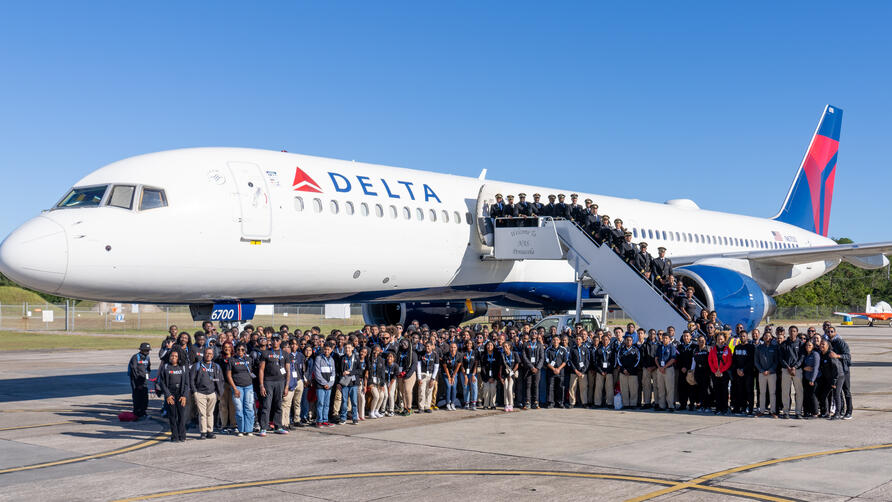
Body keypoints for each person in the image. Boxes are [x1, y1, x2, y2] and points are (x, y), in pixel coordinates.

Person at [257, 334, 290, 436]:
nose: (275, 341)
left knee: (278, 405)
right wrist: (261, 385)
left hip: (280, 382)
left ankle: (278, 426)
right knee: (266, 405)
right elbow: (261, 370)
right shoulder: (265, 353)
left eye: (277, 340)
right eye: (273, 340)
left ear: (280, 341)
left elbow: (288, 371)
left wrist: (287, 386)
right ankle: (263, 427)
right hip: (268, 382)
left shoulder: (285, 354)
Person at [158, 350, 190, 442]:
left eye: (176, 356)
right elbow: (162, 382)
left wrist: (184, 395)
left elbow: (187, 383)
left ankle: (182, 435)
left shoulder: (183, 367)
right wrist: (167, 395)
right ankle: (174, 436)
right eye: (172, 356)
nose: (173, 358)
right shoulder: (166, 367)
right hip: (170, 395)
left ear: (179, 358)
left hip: (181, 395)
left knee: (181, 416)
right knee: (172, 415)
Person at [192, 347, 223, 439]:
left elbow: (220, 379)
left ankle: (210, 431)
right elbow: (191, 380)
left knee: (210, 413)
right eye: (207, 353)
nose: (208, 355)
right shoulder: (197, 365)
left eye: (210, 354)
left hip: (212, 393)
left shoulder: (216, 366)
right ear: (204, 354)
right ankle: (203, 432)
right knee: (202, 413)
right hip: (200, 393)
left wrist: (218, 392)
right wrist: (195, 392)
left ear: (213, 356)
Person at [226, 343, 256, 436]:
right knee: (239, 409)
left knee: (249, 408)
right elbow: (228, 375)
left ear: (245, 350)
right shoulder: (232, 360)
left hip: (248, 387)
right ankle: (241, 429)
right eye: (238, 349)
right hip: (237, 387)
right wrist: (234, 388)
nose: (240, 351)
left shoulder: (249, 359)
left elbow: (252, 371)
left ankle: (249, 429)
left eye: (242, 350)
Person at [827, 326, 852, 419]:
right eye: (828, 331)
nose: (830, 333)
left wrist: (837, 356)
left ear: (835, 332)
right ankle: (840, 410)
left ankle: (849, 411)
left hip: (844, 370)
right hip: (836, 371)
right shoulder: (828, 343)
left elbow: (848, 356)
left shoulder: (841, 342)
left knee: (846, 391)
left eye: (831, 331)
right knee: (838, 392)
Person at [779, 326, 804, 419]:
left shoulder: (801, 344)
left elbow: (802, 357)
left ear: (797, 332)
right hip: (786, 370)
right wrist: (788, 367)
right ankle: (786, 412)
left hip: (797, 370)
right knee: (785, 392)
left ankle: (798, 412)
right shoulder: (784, 344)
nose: (792, 333)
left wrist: (795, 367)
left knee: (799, 392)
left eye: (794, 331)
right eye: (790, 331)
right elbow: (781, 358)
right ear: (788, 332)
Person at [730, 330, 755, 415]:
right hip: (738, 373)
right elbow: (734, 360)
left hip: (748, 373)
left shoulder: (751, 347)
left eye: (744, 336)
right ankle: (742, 407)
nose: (742, 337)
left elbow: (751, 361)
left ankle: (750, 409)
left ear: (747, 337)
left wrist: (743, 370)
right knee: (740, 391)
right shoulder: (737, 347)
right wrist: (737, 369)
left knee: (749, 391)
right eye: (741, 336)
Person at [755, 330, 779, 417]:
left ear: (771, 338)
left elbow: (776, 361)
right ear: (763, 337)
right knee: (762, 392)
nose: (767, 338)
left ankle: (773, 411)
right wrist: (762, 370)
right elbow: (756, 361)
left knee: (772, 393)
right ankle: (761, 410)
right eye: (765, 336)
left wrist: (770, 370)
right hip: (762, 373)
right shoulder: (759, 348)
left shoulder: (774, 348)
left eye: (768, 336)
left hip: (772, 373)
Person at [819, 339, 844, 420]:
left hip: (838, 377)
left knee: (836, 394)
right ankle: (826, 412)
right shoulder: (821, 354)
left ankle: (838, 413)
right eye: (821, 344)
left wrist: (834, 382)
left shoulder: (830, 354)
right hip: (829, 378)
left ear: (828, 346)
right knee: (824, 395)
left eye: (823, 344)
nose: (821, 345)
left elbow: (836, 369)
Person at [282, 340, 305, 428]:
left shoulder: (300, 355)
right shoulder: (286, 356)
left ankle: (297, 419)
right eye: (291, 345)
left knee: (297, 402)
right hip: (289, 382)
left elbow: (303, 367)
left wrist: (303, 379)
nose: (293, 346)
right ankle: (285, 422)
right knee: (287, 402)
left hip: (298, 380)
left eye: (295, 344)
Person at [708, 333, 732, 415]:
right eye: (718, 339)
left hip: (724, 373)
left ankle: (724, 408)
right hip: (715, 374)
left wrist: (721, 371)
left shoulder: (727, 349)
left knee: (724, 391)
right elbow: (710, 361)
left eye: (721, 339)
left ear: (724, 340)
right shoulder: (713, 349)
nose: (720, 340)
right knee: (717, 391)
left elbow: (729, 361)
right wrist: (715, 371)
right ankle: (718, 408)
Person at [313, 343, 336, 427]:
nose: (326, 351)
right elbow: (317, 373)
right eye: (325, 349)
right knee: (320, 403)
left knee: (327, 403)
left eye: (328, 350)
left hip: (329, 386)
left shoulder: (332, 360)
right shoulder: (318, 358)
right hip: (320, 385)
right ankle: (319, 420)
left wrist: (330, 384)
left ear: (331, 350)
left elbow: (333, 373)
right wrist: (324, 383)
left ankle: (325, 420)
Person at [128, 342, 152, 420]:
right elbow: (134, 371)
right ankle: (137, 413)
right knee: (137, 396)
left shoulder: (147, 358)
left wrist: (147, 377)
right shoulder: (135, 357)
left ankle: (143, 412)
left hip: (144, 380)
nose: (147, 352)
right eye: (145, 350)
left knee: (145, 397)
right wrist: (138, 384)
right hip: (136, 380)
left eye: (148, 350)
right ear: (141, 350)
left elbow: (148, 368)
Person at [338, 343, 360, 424]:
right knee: (344, 401)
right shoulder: (342, 358)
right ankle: (343, 418)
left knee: (354, 401)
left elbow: (360, 371)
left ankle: (355, 418)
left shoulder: (356, 358)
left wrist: (350, 372)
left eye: (349, 347)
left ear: (353, 348)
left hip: (353, 383)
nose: (347, 349)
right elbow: (339, 371)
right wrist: (339, 382)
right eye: (346, 347)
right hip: (344, 383)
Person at [655, 332, 677, 412]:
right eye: (663, 338)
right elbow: (656, 358)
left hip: (668, 369)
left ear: (669, 339)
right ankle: (662, 405)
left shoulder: (672, 347)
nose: (664, 339)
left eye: (666, 338)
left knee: (669, 388)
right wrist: (659, 367)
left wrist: (664, 367)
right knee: (661, 388)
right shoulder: (660, 347)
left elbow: (673, 359)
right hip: (660, 369)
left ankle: (671, 405)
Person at [521, 332, 544, 409]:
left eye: (535, 333)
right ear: (530, 335)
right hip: (528, 368)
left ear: (537, 335)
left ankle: (536, 402)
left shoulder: (540, 344)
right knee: (528, 385)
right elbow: (524, 357)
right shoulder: (525, 344)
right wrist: (531, 367)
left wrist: (537, 368)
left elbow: (542, 357)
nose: (534, 334)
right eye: (532, 333)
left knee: (536, 385)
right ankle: (528, 402)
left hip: (537, 369)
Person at [616, 334, 640, 408]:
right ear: (625, 341)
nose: (628, 341)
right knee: (624, 389)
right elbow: (618, 360)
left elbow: (637, 361)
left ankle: (633, 404)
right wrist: (623, 370)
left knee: (633, 389)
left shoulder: (636, 350)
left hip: (633, 373)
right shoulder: (621, 350)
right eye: (627, 340)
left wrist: (629, 370)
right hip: (623, 372)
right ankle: (626, 404)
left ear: (632, 341)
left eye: (630, 340)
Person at [592, 334, 615, 408]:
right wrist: (600, 371)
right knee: (598, 388)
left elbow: (613, 361)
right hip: (600, 371)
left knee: (609, 388)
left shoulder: (612, 349)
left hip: (609, 371)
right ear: (601, 340)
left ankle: (609, 403)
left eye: (606, 340)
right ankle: (597, 403)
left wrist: (608, 371)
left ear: (609, 340)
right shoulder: (598, 349)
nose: (605, 341)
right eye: (603, 340)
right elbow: (595, 361)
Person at [396, 339, 418, 416]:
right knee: (402, 392)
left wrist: (407, 375)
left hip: (409, 374)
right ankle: (405, 408)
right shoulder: (399, 353)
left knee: (408, 391)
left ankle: (409, 407)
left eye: (405, 343)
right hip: (400, 374)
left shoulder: (413, 354)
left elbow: (414, 365)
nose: (403, 344)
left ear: (409, 344)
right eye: (402, 343)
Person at [544, 335, 567, 408]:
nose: (555, 341)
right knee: (551, 387)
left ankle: (560, 402)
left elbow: (565, 361)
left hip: (561, 372)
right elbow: (546, 361)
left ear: (559, 341)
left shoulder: (563, 349)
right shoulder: (548, 350)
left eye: (557, 340)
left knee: (560, 387)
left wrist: (559, 369)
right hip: (551, 372)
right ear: (552, 341)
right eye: (554, 340)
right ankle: (551, 402)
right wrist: (554, 369)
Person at [568, 335, 590, 407]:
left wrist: (583, 371)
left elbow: (587, 360)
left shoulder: (585, 349)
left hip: (583, 372)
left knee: (583, 388)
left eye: (579, 339)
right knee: (572, 388)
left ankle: (584, 402)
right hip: (574, 371)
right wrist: (575, 370)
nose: (578, 340)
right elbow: (570, 360)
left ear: (582, 340)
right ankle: (572, 403)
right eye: (577, 339)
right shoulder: (572, 349)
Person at [801, 340, 820, 419]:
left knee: (813, 395)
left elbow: (816, 368)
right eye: (806, 345)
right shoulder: (805, 355)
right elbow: (803, 365)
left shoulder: (815, 354)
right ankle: (807, 411)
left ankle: (815, 412)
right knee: (806, 395)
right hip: (806, 377)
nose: (807, 347)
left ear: (813, 346)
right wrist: (804, 368)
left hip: (813, 379)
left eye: (810, 345)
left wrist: (812, 379)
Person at [692, 335, 712, 412]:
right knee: (700, 389)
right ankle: (702, 406)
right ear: (697, 341)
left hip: (706, 372)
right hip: (698, 371)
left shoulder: (708, 348)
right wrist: (692, 370)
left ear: (705, 341)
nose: (701, 342)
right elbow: (693, 361)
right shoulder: (695, 349)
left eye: (703, 340)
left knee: (707, 389)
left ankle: (708, 406)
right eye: (699, 340)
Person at [500, 341, 519, 412]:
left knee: (510, 389)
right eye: (503, 347)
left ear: (509, 347)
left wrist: (511, 373)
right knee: (505, 388)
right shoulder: (502, 355)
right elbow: (501, 367)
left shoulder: (514, 354)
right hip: (505, 374)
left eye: (506, 346)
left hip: (512, 374)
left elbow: (517, 364)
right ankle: (506, 404)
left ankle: (511, 404)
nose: (505, 348)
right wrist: (501, 377)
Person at [442, 342, 462, 410]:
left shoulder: (459, 355)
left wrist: (453, 377)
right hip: (446, 373)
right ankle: (448, 403)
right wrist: (449, 377)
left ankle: (453, 403)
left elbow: (458, 366)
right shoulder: (445, 355)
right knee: (448, 386)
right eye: (451, 347)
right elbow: (445, 367)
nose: (453, 349)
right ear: (449, 348)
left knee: (454, 386)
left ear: (457, 348)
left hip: (454, 373)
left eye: (454, 347)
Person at [480, 341, 499, 410]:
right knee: (486, 389)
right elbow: (483, 367)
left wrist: (493, 377)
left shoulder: (497, 354)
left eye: (491, 345)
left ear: (493, 346)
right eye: (488, 345)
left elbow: (497, 367)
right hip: (486, 376)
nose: (489, 346)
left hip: (494, 376)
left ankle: (493, 405)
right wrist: (488, 378)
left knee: (493, 389)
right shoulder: (483, 354)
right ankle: (485, 405)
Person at [461, 340, 478, 410]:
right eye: (467, 343)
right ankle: (466, 403)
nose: (469, 344)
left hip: (473, 373)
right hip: (464, 373)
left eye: (470, 343)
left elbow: (476, 364)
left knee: (474, 386)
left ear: (472, 344)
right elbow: (461, 365)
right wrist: (465, 376)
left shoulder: (475, 353)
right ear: (465, 344)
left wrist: (473, 374)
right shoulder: (463, 353)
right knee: (465, 387)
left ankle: (473, 403)